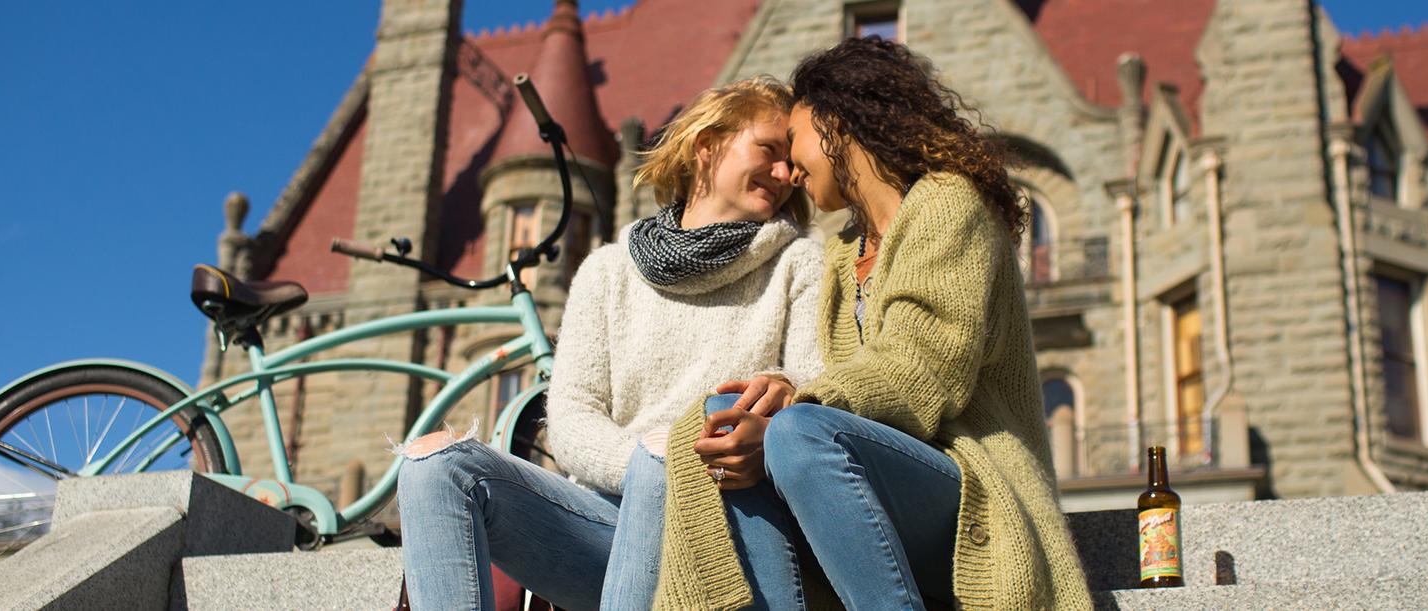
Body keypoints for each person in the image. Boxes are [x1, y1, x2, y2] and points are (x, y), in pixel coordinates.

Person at [651, 38, 1091, 609]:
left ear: (838, 123)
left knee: (798, 431)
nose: (787, 170)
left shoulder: (948, 204)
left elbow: (921, 372)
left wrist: (798, 403)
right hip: (870, 491)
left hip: (974, 491)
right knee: (717, 424)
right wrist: (775, 397)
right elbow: (850, 386)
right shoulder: (843, 252)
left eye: (795, 141)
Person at [394, 76, 825, 611]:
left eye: (791, 162)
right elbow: (572, 417)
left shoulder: (800, 261)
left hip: (726, 521)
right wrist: (650, 464)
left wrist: (686, 459)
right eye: (769, 151)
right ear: (706, 145)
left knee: (662, 453)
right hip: (602, 524)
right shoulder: (606, 271)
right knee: (436, 464)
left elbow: (814, 385)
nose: (785, 174)